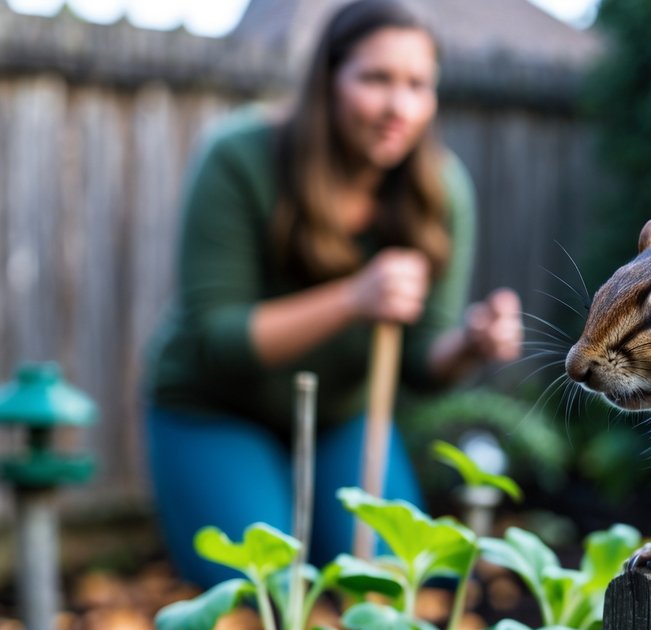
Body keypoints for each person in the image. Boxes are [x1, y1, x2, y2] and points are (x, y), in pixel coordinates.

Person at [144, 0, 521, 588]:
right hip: (216, 409)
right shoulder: (241, 158)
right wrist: (353, 298)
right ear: (329, 80)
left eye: (418, 85)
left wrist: (470, 343)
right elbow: (219, 340)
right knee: (262, 590)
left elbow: (422, 364)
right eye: (376, 79)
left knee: (399, 583)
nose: (399, 106)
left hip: (341, 418)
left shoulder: (440, 192)